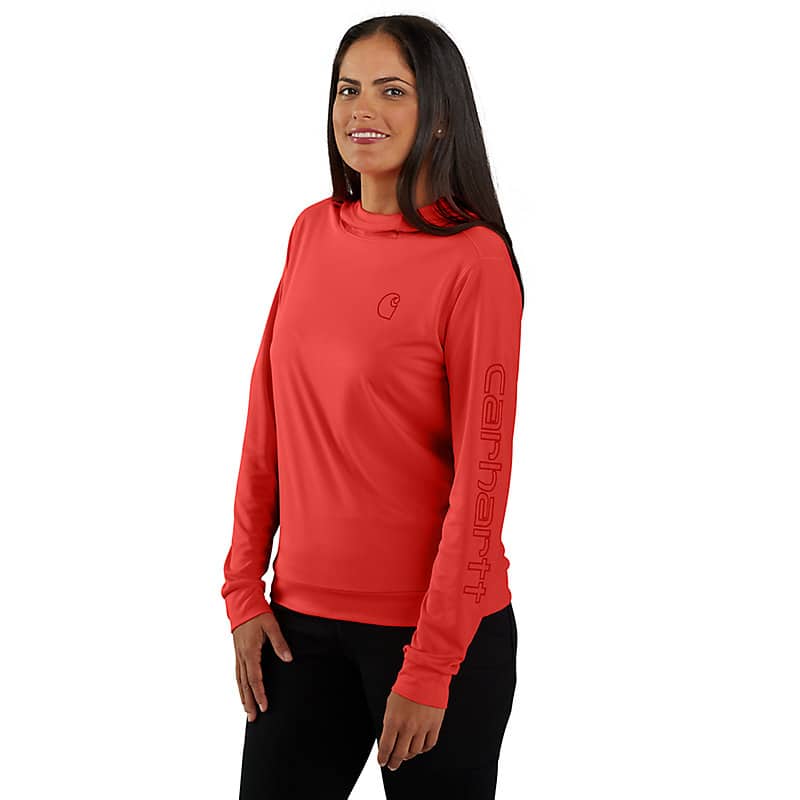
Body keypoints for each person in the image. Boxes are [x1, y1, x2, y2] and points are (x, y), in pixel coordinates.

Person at [221, 14, 525, 800]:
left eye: (392, 91)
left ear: (442, 115)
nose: (362, 109)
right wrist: (243, 589)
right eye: (347, 89)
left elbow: (483, 478)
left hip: (434, 636)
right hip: (297, 631)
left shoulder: (474, 262)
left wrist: (432, 664)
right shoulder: (310, 232)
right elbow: (267, 422)